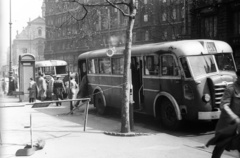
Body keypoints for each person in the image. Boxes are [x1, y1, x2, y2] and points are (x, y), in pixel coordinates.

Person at [206, 70, 240, 158]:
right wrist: (234, 117)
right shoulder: (231, 89)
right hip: (229, 124)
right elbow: (224, 105)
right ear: (238, 77)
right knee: (220, 146)